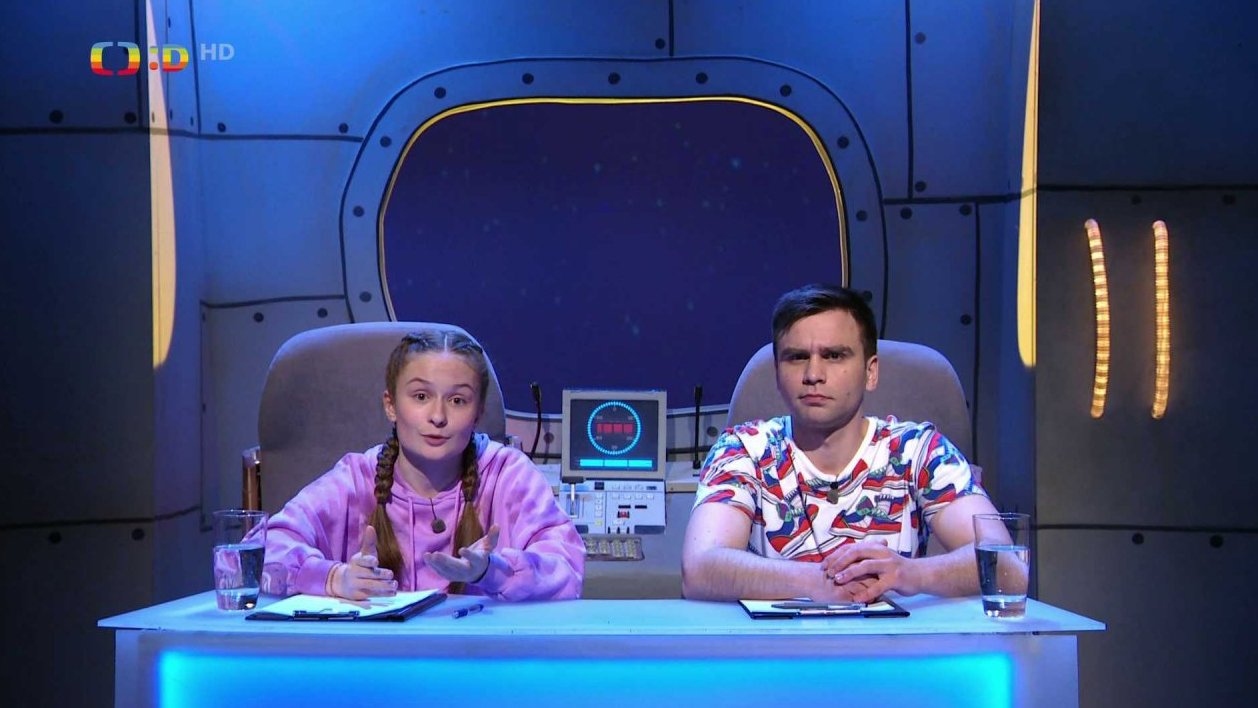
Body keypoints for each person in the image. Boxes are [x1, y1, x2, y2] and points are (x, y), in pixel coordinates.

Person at [682, 284, 1002, 604]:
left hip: (891, 635)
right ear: (778, 374)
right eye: (797, 357)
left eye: (834, 356)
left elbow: (1007, 563)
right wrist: (817, 582)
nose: (813, 374)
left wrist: (910, 574)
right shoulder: (742, 450)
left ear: (870, 372)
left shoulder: (919, 450)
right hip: (777, 636)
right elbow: (699, 569)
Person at [260, 329, 584, 601]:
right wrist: (333, 579)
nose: (438, 416)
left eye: (457, 400)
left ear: (478, 413)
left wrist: (493, 572)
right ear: (390, 405)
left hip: (479, 655)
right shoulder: (356, 478)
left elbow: (567, 569)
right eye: (420, 397)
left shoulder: (507, 473)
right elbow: (260, 551)